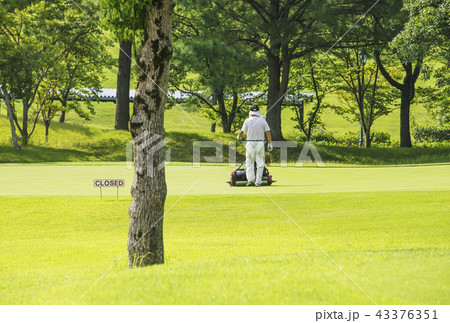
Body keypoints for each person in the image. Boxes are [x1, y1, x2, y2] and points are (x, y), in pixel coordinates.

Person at [237, 105, 273, 187]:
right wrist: (270, 143)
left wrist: (238, 137)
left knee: (249, 162)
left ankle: (250, 180)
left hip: (250, 143)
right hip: (260, 143)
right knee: (260, 163)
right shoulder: (263, 121)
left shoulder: (247, 121)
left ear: (251, 112)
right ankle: (258, 181)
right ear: (258, 112)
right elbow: (268, 132)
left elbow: (242, 132)